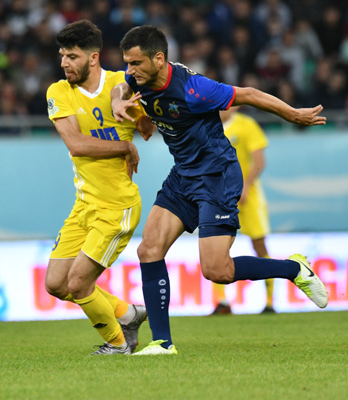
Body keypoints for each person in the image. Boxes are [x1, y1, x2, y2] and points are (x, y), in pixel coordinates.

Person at [111, 26, 329, 356]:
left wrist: (292, 114)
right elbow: (120, 86)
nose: (130, 70)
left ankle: (294, 269)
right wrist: (120, 102)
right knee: (149, 249)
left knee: (217, 271)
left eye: (136, 63)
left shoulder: (195, 89)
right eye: (127, 62)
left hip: (217, 176)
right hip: (183, 175)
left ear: (158, 59)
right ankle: (163, 343)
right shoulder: (136, 79)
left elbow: (249, 94)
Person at [44, 20, 148, 355]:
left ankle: (118, 344)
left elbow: (140, 117)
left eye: (72, 56)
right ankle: (128, 314)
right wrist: (124, 146)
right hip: (84, 205)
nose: (64, 63)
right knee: (56, 283)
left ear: (93, 57)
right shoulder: (59, 91)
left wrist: (140, 117)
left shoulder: (120, 82)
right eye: (62, 55)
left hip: (117, 206)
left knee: (78, 282)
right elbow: (76, 144)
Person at [212, 107, 275, 315]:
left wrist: (245, 186)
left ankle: (269, 302)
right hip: (220, 197)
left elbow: (259, 162)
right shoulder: (207, 126)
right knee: (217, 247)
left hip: (248, 197)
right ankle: (222, 302)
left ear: (236, 105)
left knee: (259, 245)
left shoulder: (247, 125)